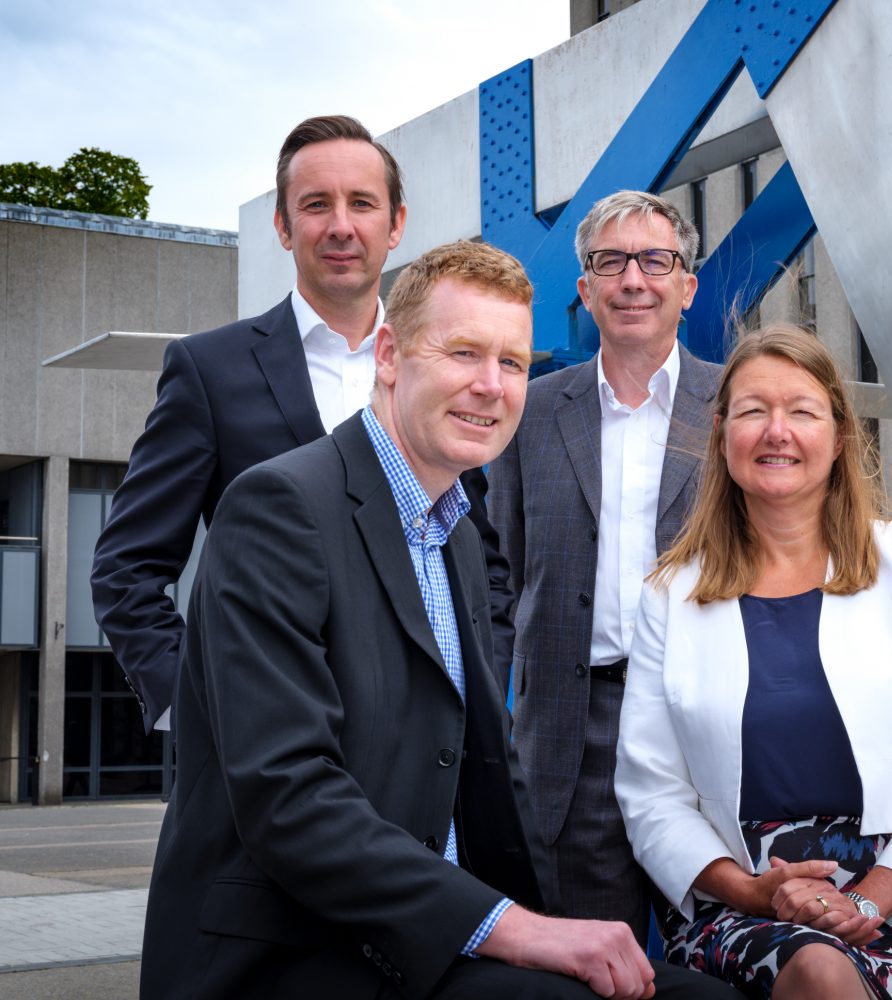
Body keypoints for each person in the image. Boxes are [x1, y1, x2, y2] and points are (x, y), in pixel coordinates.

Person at [140, 240, 740, 1000]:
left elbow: (484, 769)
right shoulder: (282, 508)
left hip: (430, 936)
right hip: (301, 949)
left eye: (513, 363)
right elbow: (290, 798)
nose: (490, 387)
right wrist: (520, 930)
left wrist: (546, 922)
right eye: (463, 353)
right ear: (388, 354)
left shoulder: (455, 527)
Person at [91, 114, 513, 733]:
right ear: (284, 227)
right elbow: (126, 568)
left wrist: (480, 684)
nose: (341, 226)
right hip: (264, 751)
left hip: (426, 745)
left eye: (362, 203)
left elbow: (483, 558)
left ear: (395, 223)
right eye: (316, 205)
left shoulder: (444, 368)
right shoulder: (209, 371)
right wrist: (192, 703)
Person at [615, 325, 892, 999]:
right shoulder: (670, 593)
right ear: (722, 431)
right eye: (753, 410)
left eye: (801, 411)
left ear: (839, 435)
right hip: (736, 903)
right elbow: (650, 794)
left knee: (832, 965)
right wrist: (752, 892)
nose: (775, 431)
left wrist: (868, 902)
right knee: (817, 968)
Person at [490, 190, 721, 940]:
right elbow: (502, 576)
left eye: (655, 260)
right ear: (584, 289)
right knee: (587, 958)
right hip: (571, 731)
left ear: (685, 287)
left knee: (723, 954)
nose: (633, 280)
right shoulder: (528, 411)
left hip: (708, 717)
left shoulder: (735, 408)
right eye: (609, 262)